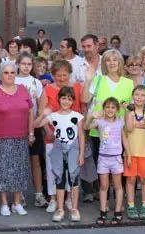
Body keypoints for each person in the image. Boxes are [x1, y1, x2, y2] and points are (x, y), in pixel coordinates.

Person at [82, 49, 133, 204]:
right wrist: (89, 80)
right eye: (108, 60)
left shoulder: (128, 83)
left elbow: (130, 108)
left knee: (119, 168)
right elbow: (85, 99)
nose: (112, 63)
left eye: (115, 60)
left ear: (120, 63)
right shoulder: (98, 80)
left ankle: (119, 202)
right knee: (102, 168)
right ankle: (105, 202)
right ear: (104, 63)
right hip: (99, 131)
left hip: (119, 132)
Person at [0, 61, 34, 217]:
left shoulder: (23, 90)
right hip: (1, 138)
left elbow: (30, 111)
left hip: (21, 137)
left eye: (12, 72)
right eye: (6, 72)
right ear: (0, 74)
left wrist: (31, 132)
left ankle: (17, 203)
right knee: (2, 171)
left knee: (20, 171)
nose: (9, 75)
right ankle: (4, 203)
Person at [37, 60, 85, 213]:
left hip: (72, 138)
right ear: (53, 75)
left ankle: (70, 198)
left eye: (64, 75)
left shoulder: (77, 87)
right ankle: (52, 199)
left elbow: (82, 110)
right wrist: (47, 130)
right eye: (58, 75)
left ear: (69, 74)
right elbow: (42, 112)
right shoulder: (48, 89)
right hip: (53, 136)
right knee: (53, 169)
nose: (61, 78)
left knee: (71, 169)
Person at [85, 97, 129, 225]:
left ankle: (117, 212)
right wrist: (91, 116)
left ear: (117, 110)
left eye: (113, 107)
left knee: (118, 186)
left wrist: (129, 154)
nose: (110, 110)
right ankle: (103, 212)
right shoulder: (100, 122)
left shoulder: (120, 122)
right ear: (104, 109)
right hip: (103, 158)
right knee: (104, 186)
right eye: (107, 107)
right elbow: (86, 127)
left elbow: (124, 139)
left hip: (116, 158)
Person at [14, 53, 48, 208]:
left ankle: (38, 194)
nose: (26, 66)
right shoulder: (13, 80)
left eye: (29, 64)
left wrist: (35, 124)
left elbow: (41, 105)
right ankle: (19, 194)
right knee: (19, 162)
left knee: (35, 161)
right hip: (17, 126)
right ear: (18, 64)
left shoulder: (36, 82)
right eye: (23, 63)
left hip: (34, 124)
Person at [124, 85, 145, 220]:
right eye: (137, 94)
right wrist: (127, 112)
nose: (139, 97)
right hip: (131, 150)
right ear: (132, 96)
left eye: (142, 95)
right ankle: (131, 205)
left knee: (144, 179)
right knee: (130, 178)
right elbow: (130, 128)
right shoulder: (129, 112)